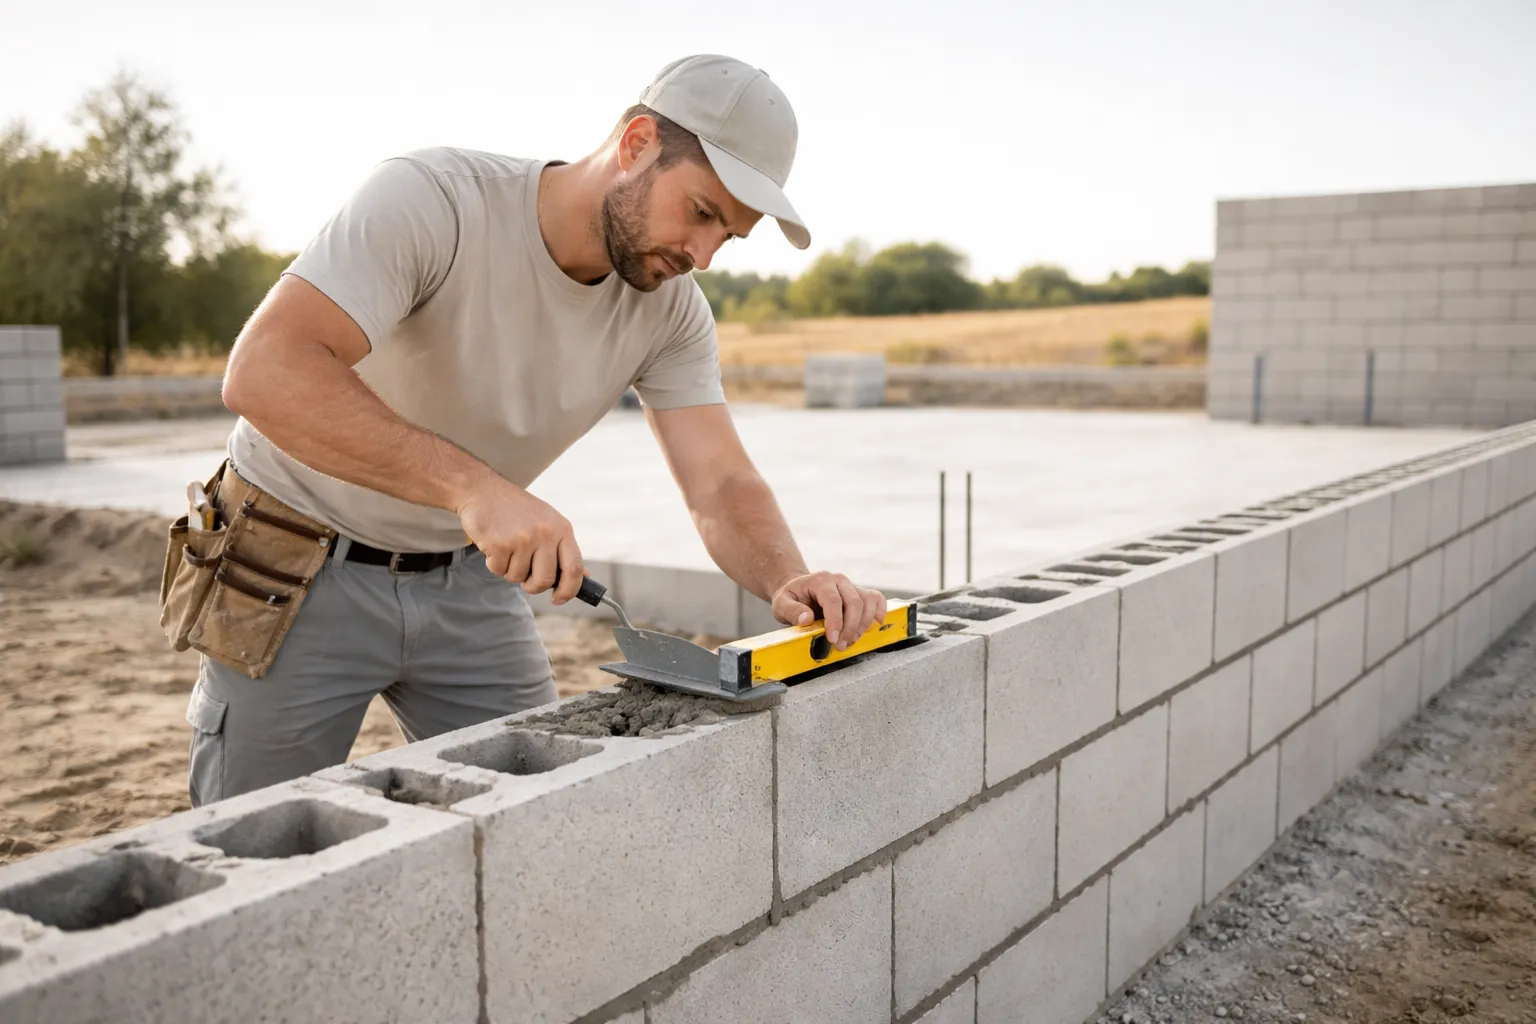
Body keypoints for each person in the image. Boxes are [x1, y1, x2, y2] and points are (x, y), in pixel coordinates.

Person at [176, 53, 888, 807]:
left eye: (729, 239)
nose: (702, 256)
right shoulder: (434, 201)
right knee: (252, 839)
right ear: (638, 142)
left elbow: (720, 481)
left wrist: (788, 578)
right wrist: (473, 488)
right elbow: (264, 371)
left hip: (465, 575)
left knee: (541, 817)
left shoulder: (670, 310)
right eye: (703, 212)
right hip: (293, 562)